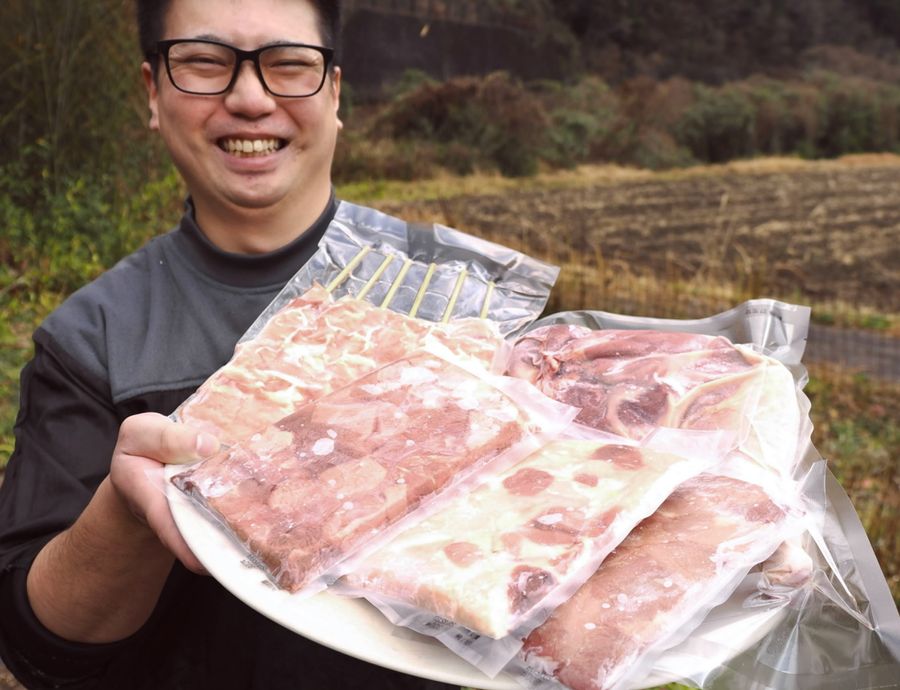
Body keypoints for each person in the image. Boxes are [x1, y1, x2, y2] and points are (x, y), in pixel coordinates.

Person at [0, 1, 454, 688]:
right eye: (206, 64)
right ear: (153, 93)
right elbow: (38, 648)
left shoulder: (454, 306)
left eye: (289, 65)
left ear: (334, 93)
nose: (250, 98)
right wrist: (125, 519)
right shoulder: (92, 340)